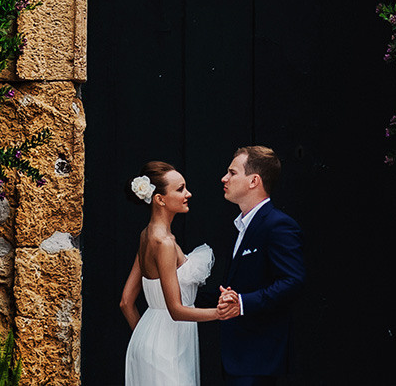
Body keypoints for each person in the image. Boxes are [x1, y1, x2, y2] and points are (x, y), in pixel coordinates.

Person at [203, 145, 304, 384]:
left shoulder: (278, 225)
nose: (224, 178)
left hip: (259, 359)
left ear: (254, 181)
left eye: (232, 172)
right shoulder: (241, 227)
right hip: (236, 358)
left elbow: (292, 281)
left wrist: (243, 303)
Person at [118, 160, 220, 386]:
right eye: (180, 189)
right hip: (167, 348)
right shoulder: (163, 243)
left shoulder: (146, 236)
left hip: (151, 341)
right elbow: (175, 309)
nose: (188, 194)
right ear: (159, 199)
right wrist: (220, 314)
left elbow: (126, 302)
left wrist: (144, 339)